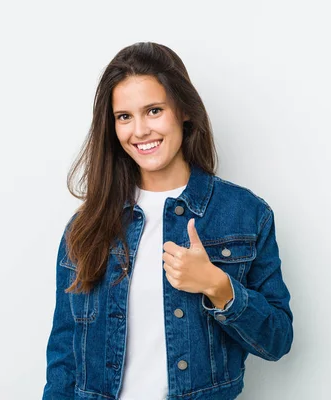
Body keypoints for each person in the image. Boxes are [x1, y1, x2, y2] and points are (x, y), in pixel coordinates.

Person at [42, 42, 293, 400]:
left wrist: (218, 287)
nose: (140, 130)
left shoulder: (244, 213)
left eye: (154, 110)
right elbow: (65, 357)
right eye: (124, 116)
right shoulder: (87, 226)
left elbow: (277, 341)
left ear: (184, 111)